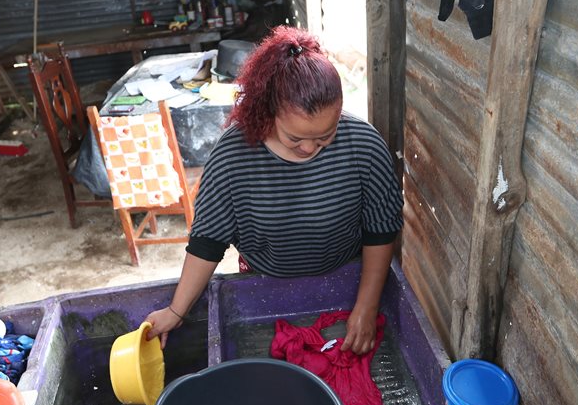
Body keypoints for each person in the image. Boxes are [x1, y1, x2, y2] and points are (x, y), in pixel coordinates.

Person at [144, 27, 404, 354]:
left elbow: (381, 232)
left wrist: (366, 307)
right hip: (263, 285)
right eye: (295, 138)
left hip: (345, 282)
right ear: (267, 112)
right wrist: (176, 310)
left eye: (326, 135)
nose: (310, 148)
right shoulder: (234, 154)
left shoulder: (363, 146)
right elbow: (208, 241)